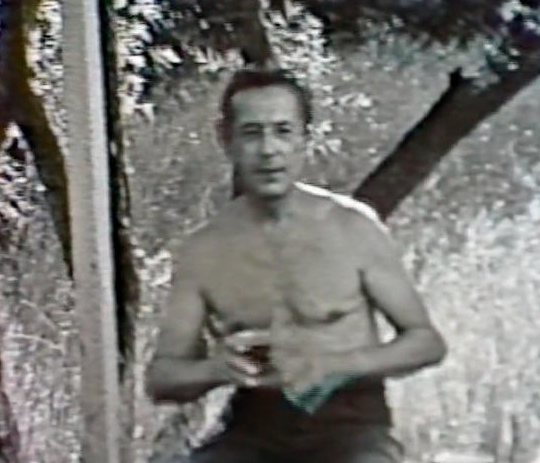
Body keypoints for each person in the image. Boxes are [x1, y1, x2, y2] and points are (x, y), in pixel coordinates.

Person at [144, 67, 447, 463]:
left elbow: (426, 342)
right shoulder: (204, 249)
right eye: (253, 133)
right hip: (253, 430)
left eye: (283, 131)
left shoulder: (353, 227)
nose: (269, 150)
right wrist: (217, 370)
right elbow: (161, 378)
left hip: (352, 428)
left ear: (306, 139)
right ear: (227, 141)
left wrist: (338, 364)